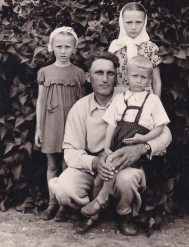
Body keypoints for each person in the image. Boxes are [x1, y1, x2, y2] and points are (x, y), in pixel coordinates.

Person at [49, 51, 172, 236]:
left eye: (110, 73)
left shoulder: (132, 97)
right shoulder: (80, 108)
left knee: (127, 179)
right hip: (94, 166)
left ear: (117, 76)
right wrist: (95, 162)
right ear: (88, 77)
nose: (105, 79)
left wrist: (141, 148)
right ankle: (90, 209)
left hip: (123, 162)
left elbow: (165, 134)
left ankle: (124, 213)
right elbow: (70, 151)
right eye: (99, 73)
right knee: (64, 188)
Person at [81, 56, 170, 218]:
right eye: (134, 76)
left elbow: (160, 127)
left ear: (149, 80)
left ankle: (102, 200)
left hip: (137, 146)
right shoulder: (120, 99)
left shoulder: (153, 100)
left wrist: (143, 140)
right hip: (118, 144)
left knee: (113, 165)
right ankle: (94, 210)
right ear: (126, 76)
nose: (138, 81)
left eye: (143, 77)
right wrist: (107, 147)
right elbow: (111, 124)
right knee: (105, 170)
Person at [35, 26, 86, 221]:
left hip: (71, 127)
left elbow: (82, 104)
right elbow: (40, 101)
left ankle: (65, 205)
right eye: (59, 46)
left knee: (68, 165)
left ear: (74, 48)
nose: (63, 51)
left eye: (67, 47)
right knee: (52, 164)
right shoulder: (45, 72)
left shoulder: (79, 73)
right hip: (50, 125)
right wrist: (38, 128)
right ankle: (52, 203)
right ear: (51, 47)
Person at [109, 2, 162, 97]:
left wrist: (156, 105)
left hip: (145, 98)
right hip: (120, 97)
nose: (133, 27)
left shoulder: (151, 48)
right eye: (129, 22)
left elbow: (156, 82)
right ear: (121, 22)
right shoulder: (115, 47)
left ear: (144, 22)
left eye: (138, 22)